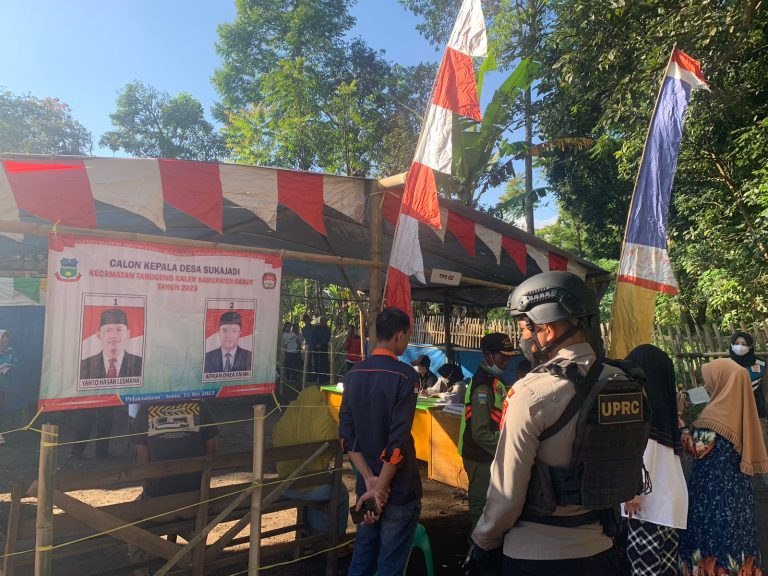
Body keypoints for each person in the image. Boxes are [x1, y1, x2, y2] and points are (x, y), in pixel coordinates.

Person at [468, 271, 624, 575]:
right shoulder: (623, 383)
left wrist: (481, 542)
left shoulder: (531, 393)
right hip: (604, 548)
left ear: (547, 330)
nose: (524, 339)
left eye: (524, 329)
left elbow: (506, 499)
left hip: (537, 555)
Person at [339, 307, 421, 576]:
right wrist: (381, 487)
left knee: (362, 556)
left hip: (367, 487)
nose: (407, 341)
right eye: (407, 336)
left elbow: (347, 437)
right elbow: (397, 442)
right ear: (399, 336)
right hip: (397, 489)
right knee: (390, 564)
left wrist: (370, 481)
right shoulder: (406, 376)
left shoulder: (353, 374)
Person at [678, 358, 768, 574]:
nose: (707, 385)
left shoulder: (716, 415)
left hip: (714, 496)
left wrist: (680, 420)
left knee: (714, 539)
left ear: (722, 382)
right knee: (738, 539)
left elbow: (696, 449)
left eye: (709, 380)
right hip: (739, 493)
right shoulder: (741, 411)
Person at [130, 399, 218, 575]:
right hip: (196, 501)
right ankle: (193, 557)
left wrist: (147, 488)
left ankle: (141, 571)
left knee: (131, 521)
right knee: (184, 511)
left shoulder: (146, 408)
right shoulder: (200, 405)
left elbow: (142, 455)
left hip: (159, 503)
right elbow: (212, 447)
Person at [621, 345, 688, 576]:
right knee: (665, 568)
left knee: (643, 567)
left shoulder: (645, 410)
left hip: (648, 506)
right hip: (668, 504)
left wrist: (634, 490)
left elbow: (645, 452)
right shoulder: (666, 410)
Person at [272, 385, 349, 536]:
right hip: (316, 489)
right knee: (340, 491)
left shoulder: (286, 418)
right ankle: (336, 537)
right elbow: (338, 441)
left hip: (286, 487)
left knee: (317, 487)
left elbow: (275, 437)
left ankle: (311, 534)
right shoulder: (324, 416)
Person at [458, 332, 516, 529]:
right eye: (502, 357)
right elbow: (480, 432)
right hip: (480, 455)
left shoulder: (493, 380)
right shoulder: (483, 386)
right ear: (489, 356)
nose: (506, 362)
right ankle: (476, 543)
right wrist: (505, 448)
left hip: (485, 453)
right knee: (480, 502)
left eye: (509, 357)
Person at [79, 308, 143, 379]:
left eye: (119, 330)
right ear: (98, 335)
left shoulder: (140, 364)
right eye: (108, 330)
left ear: (128, 334)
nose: (113, 335)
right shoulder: (85, 365)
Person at [729, 331, 766, 418]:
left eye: (744, 344)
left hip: (755, 405)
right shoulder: (724, 363)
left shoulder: (760, 363)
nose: (740, 347)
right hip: (730, 404)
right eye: (736, 343)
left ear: (750, 346)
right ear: (731, 345)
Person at [0, 329, 18, 445]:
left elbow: (16, 363)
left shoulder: (11, 351)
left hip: (4, 385)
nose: (5, 339)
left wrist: (9, 366)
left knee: (1, 408)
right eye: (3, 336)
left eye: (7, 336)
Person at [312, 316, 332, 385]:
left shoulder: (328, 329)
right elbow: (313, 336)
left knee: (324, 363)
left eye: (325, 321)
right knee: (316, 363)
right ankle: (315, 378)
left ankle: (323, 379)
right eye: (322, 321)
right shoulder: (315, 328)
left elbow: (327, 338)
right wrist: (316, 344)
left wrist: (321, 344)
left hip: (324, 348)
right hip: (315, 347)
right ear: (320, 322)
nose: (324, 322)